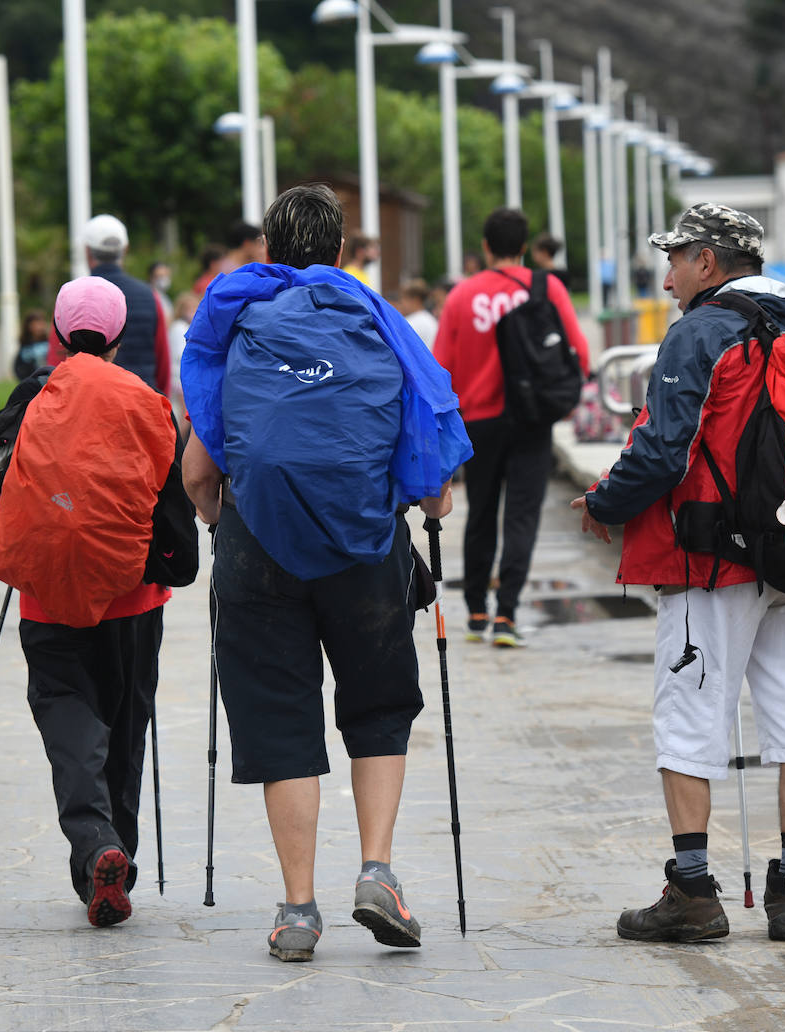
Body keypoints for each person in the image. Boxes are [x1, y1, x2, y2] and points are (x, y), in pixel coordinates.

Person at [180, 183, 472, 963]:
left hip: (257, 544)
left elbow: (198, 469)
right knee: (378, 707)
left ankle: (298, 910)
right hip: (365, 546)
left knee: (282, 722)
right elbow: (433, 477)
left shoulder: (236, 320)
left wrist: (222, 523)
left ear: (266, 252)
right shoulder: (384, 326)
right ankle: (377, 872)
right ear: (341, 252)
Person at [571, 203, 785, 943]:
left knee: (688, 720)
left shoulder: (699, 333)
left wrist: (603, 502)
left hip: (713, 559)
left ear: (709, 264)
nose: (667, 278)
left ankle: (692, 892)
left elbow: (662, 452)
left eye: (677, 259)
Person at [14, 275, 178, 928]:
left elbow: (1, 483)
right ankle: (120, 861)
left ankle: (96, 849)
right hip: (134, 596)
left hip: (48, 598)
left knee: (67, 718)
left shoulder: (31, 396)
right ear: (117, 335)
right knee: (127, 726)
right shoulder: (145, 400)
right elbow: (170, 492)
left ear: (57, 334)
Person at [433, 208, 591, 648]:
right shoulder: (548, 287)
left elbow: (439, 366)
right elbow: (578, 352)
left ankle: (476, 611)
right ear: (524, 247)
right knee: (521, 517)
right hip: (532, 420)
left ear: (485, 246)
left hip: (478, 422)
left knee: (480, 513)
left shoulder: (463, 296)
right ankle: (507, 616)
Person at [63, 213, 170, 397]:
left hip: (88, 404)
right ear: (125, 249)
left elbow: (56, 362)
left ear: (87, 251)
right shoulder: (150, 296)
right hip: (142, 404)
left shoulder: (70, 297)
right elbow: (163, 364)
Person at [395, 278, 438, 350]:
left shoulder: (411, 323)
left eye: (404, 298)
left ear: (415, 300)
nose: (401, 303)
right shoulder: (430, 319)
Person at [13, 310, 50, 381]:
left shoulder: (49, 343)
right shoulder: (25, 346)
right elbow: (18, 367)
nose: (39, 327)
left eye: (41, 323)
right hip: (33, 383)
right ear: (28, 326)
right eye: (36, 324)